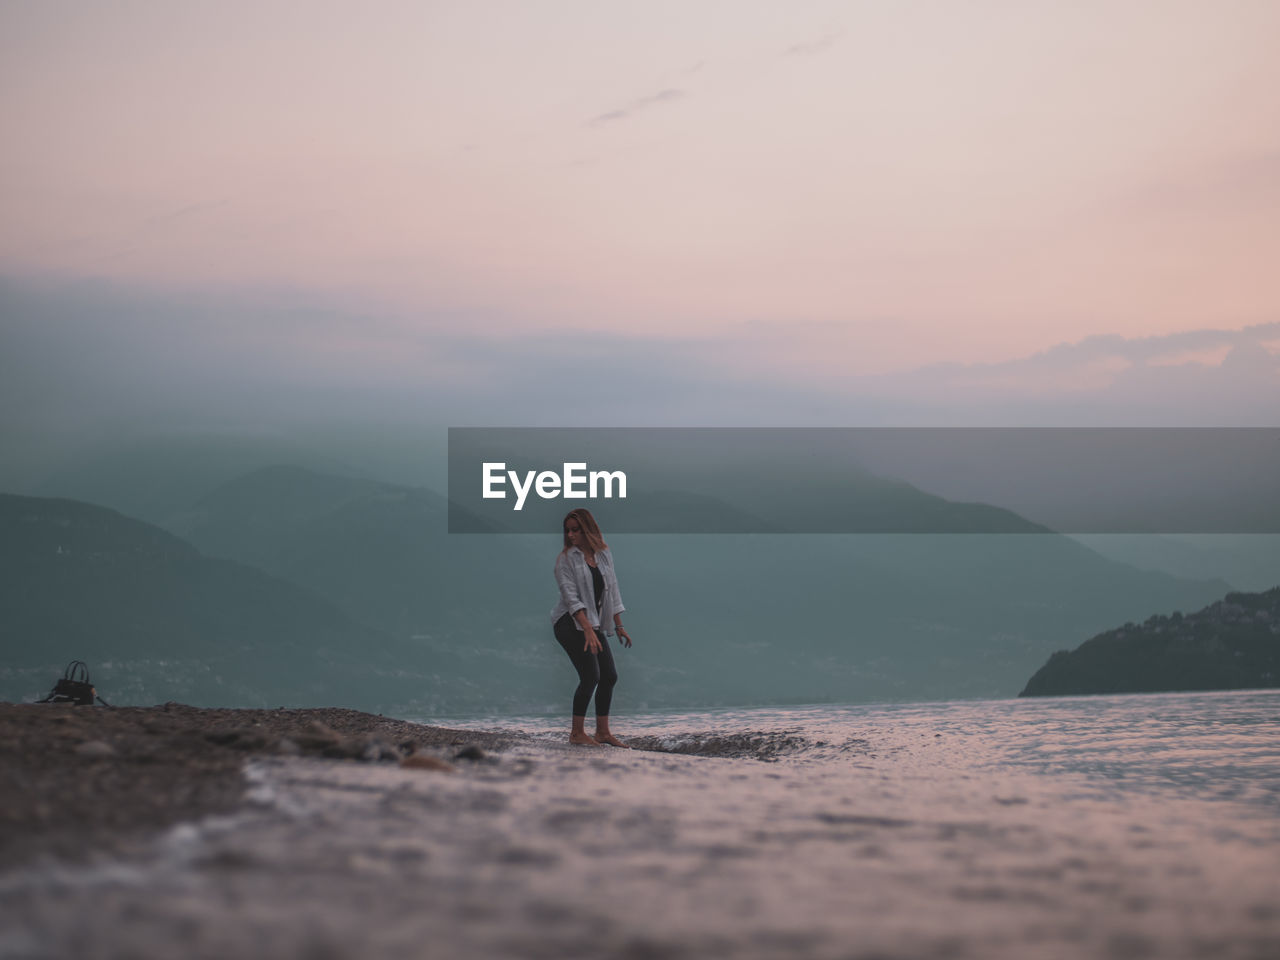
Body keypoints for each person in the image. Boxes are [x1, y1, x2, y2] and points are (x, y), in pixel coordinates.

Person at [550, 508, 633, 747]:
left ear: (588, 530)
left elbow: (612, 591)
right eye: (568, 531)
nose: (571, 534)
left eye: (576, 530)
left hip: (592, 622)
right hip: (569, 622)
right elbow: (571, 598)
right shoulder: (565, 559)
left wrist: (618, 625)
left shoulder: (604, 555)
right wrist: (586, 629)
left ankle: (603, 732)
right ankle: (576, 733)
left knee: (609, 676)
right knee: (590, 676)